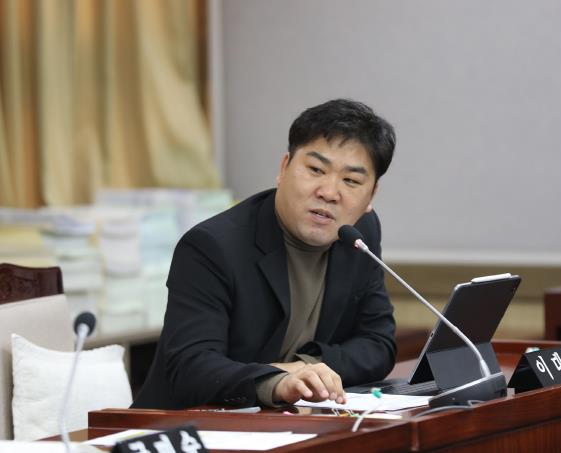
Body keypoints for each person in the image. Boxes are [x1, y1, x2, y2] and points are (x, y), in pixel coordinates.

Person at [132, 99, 397, 409]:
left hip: (290, 420)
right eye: (315, 169)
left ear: (371, 196)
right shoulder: (212, 247)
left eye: (351, 181)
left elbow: (378, 344)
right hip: (186, 424)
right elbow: (191, 368)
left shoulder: (359, 235)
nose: (328, 192)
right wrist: (275, 381)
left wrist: (306, 368)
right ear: (284, 168)